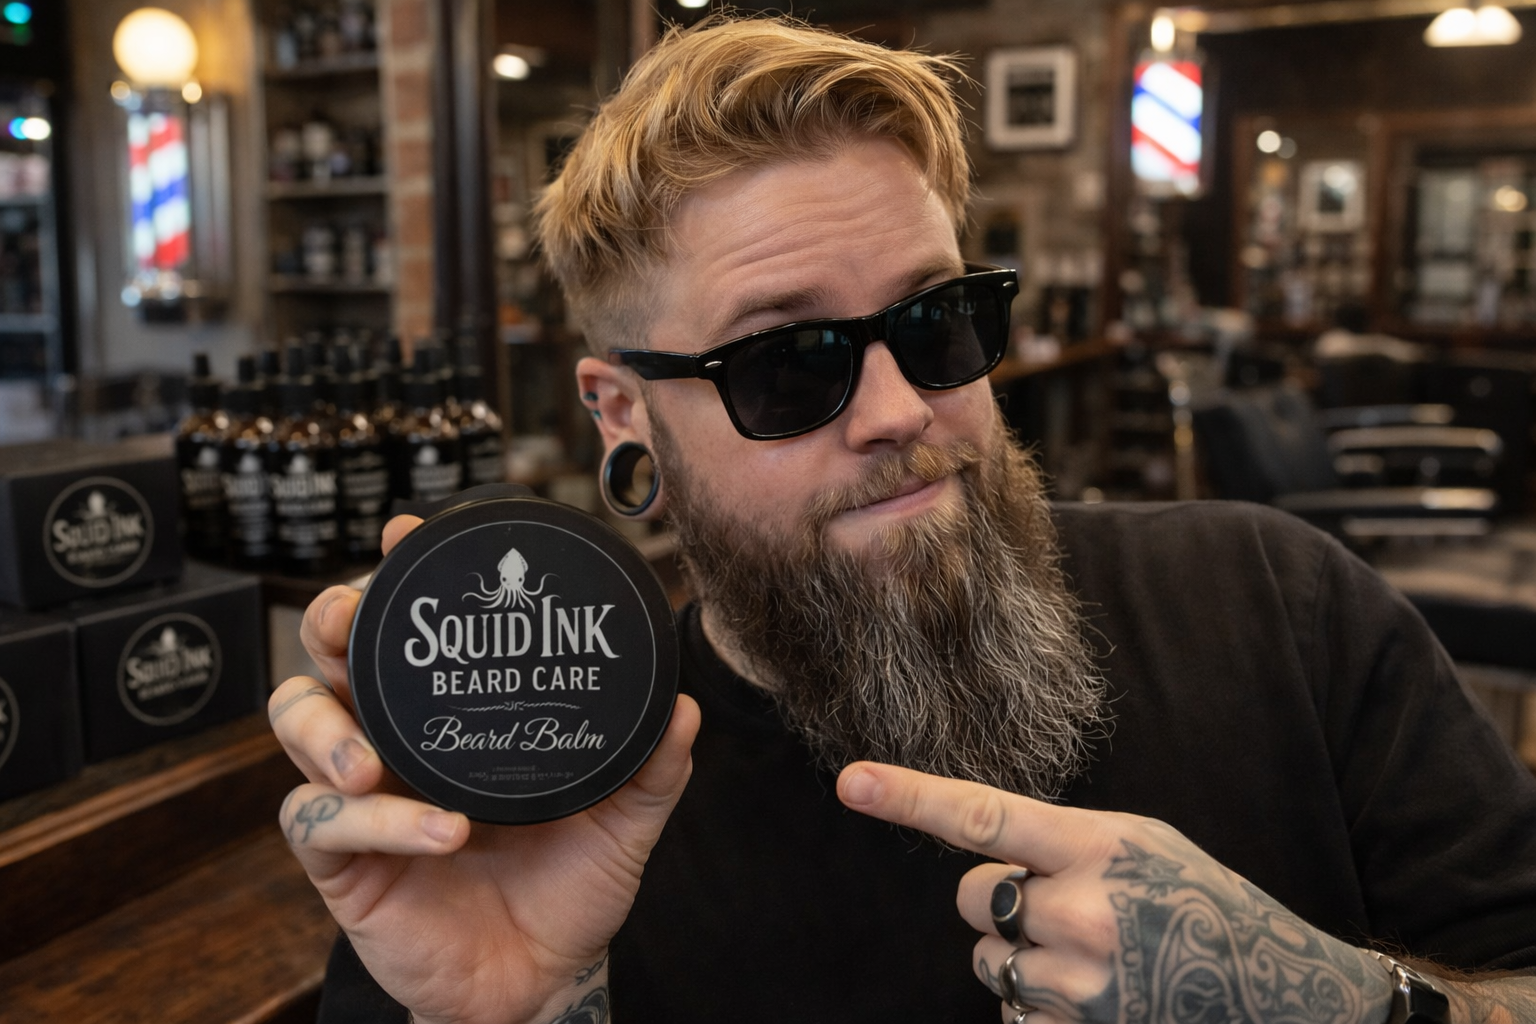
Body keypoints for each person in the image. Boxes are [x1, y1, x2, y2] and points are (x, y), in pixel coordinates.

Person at [268, 16, 1536, 1024]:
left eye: (935, 324)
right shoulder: (549, 798)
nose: (893, 408)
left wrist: (1361, 1012)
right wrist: (526, 1009)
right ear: (621, 414)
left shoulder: (1279, 605)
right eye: (786, 364)